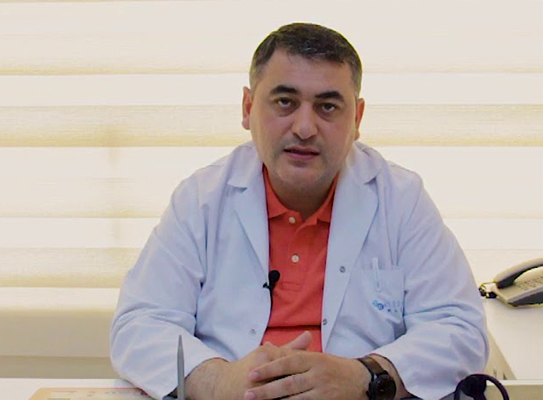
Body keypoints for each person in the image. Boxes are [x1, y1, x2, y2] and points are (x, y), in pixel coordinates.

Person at [110, 22, 488, 400]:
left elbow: (460, 330)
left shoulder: (402, 199)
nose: (305, 128)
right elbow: (139, 325)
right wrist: (217, 381)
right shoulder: (201, 199)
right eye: (285, 102)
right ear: (247, 108)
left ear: (356, 119)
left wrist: (366, 376)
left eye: (327, 107)